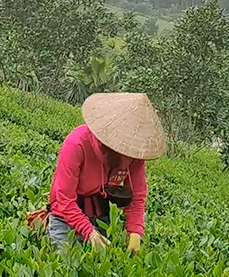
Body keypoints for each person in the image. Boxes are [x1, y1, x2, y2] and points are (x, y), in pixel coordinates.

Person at [41, 92, 166, 251]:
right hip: (65, 217)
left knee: (103, 266)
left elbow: (137, 197)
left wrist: (135, 233)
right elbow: (64, 198)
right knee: (67, 266)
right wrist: (88, 232)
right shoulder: (77, 143)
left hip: (101, 216)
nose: (128, 157)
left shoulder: (135, 153)